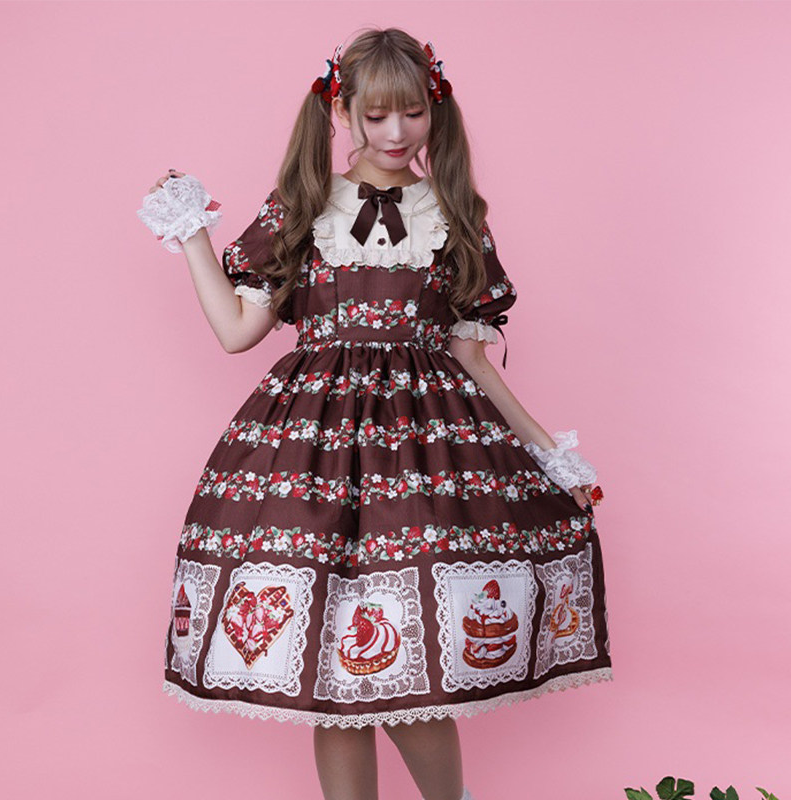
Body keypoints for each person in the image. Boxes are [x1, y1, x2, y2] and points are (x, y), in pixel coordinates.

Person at [137, 27, 612, 800]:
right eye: (378, 114)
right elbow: (236, 332)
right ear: (343, 111)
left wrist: (552, 456)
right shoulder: (300, 206)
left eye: (413, 112)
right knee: (332, 672)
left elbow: (471, 358)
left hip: (423, 458)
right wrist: (192, 232)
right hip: (312, 453)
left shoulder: (454, 214)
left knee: (411, 665)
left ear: (435, 109)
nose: (397, 133)